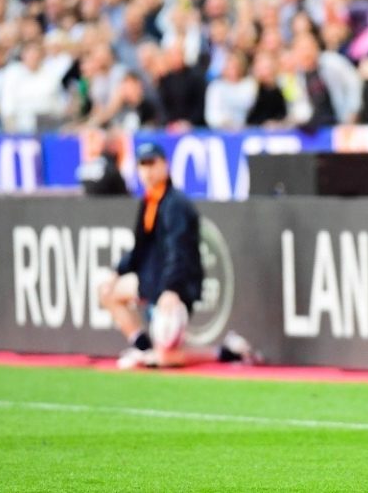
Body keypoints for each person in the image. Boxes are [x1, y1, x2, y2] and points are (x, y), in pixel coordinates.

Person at [99, 142, 256, 369]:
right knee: (107, 291)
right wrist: (117, 271)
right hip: (152, 280)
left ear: (165, 165)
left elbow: (179, 251)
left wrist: (171, 289)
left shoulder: (176, 205)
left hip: (177, 287)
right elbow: (140, 248)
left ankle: (227, 352)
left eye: (153, 164)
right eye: (143, 165)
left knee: (166, 359)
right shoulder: (150, 201)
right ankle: (143, 348)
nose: (148, 171)